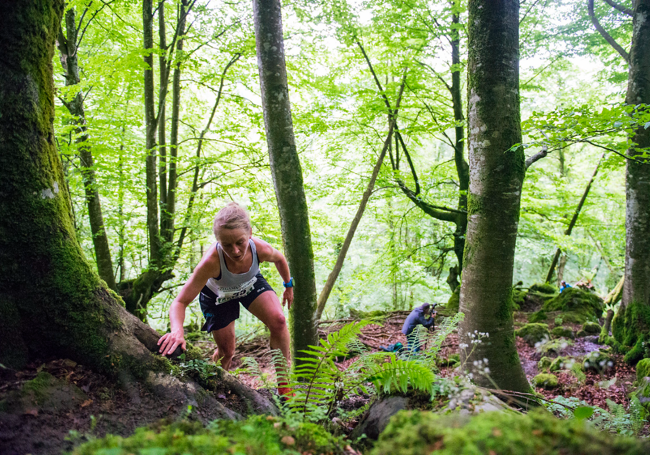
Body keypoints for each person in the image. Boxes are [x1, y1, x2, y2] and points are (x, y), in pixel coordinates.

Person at [158, 202, 294, 394]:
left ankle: (285, 387)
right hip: (217, 296)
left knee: (279, 321)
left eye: (240, 242)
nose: (236, 251)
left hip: (249, 284)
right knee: (227, 352)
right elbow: (179, 302)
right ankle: (216, 385)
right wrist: (177, 331)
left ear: (250, 233)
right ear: (218, 241)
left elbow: (280, 259)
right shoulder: (210, 263)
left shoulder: (260, 249)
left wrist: (288, 285)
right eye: (227, 245)